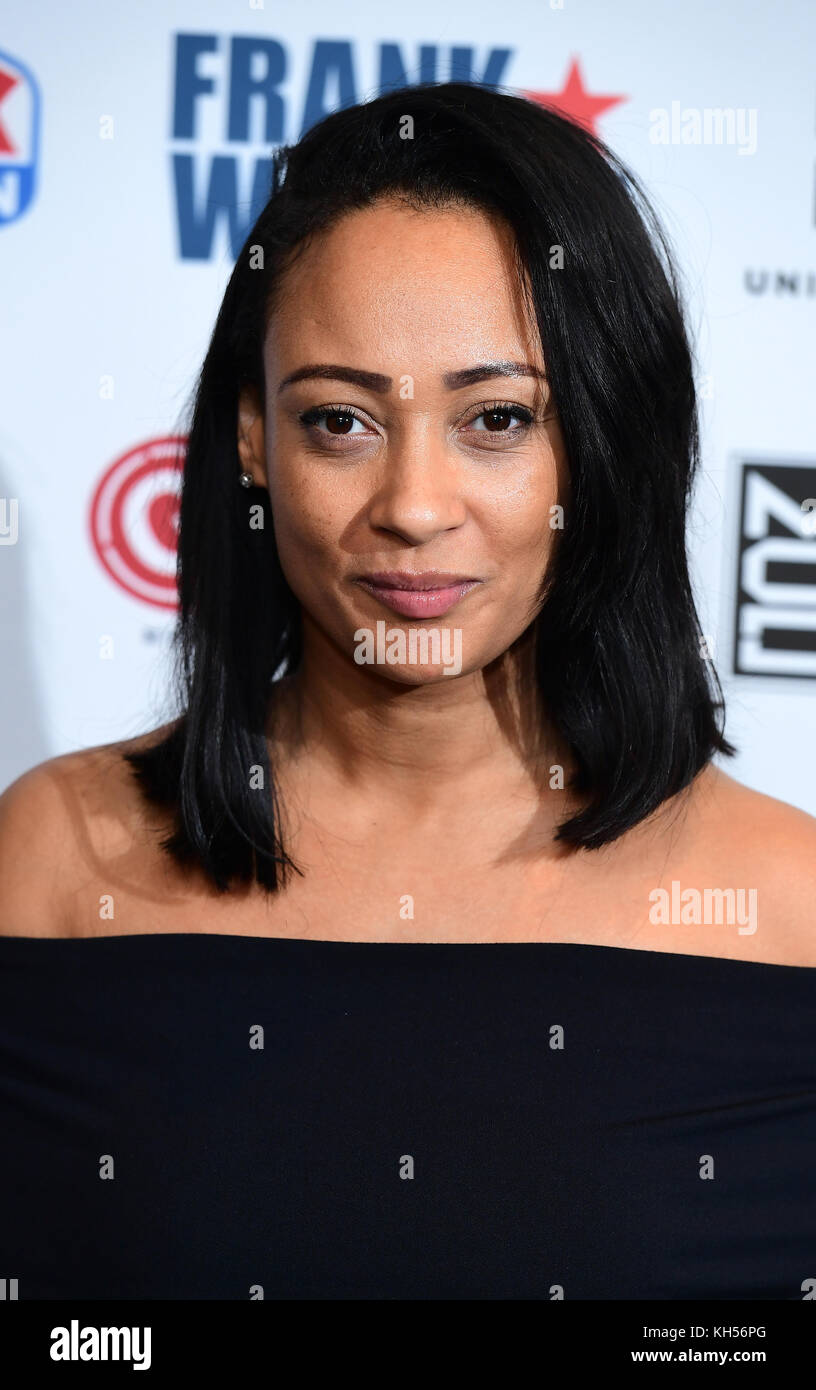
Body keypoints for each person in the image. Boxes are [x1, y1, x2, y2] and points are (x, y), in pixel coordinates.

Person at [0, 81, 814, 1301]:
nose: (416, 506)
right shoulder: (55, 863)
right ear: (249, 441)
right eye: (340, 419)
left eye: (496, 417)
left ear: (601, 439)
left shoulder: (788, 908)